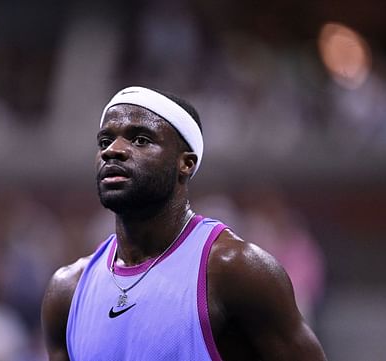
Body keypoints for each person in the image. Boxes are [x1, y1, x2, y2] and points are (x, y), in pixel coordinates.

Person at [41, 86, 327, 360]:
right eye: (105, 141)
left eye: (140, 139)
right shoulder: (67, 291)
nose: (112, 151)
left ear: (186, 163)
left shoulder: (236, 270)